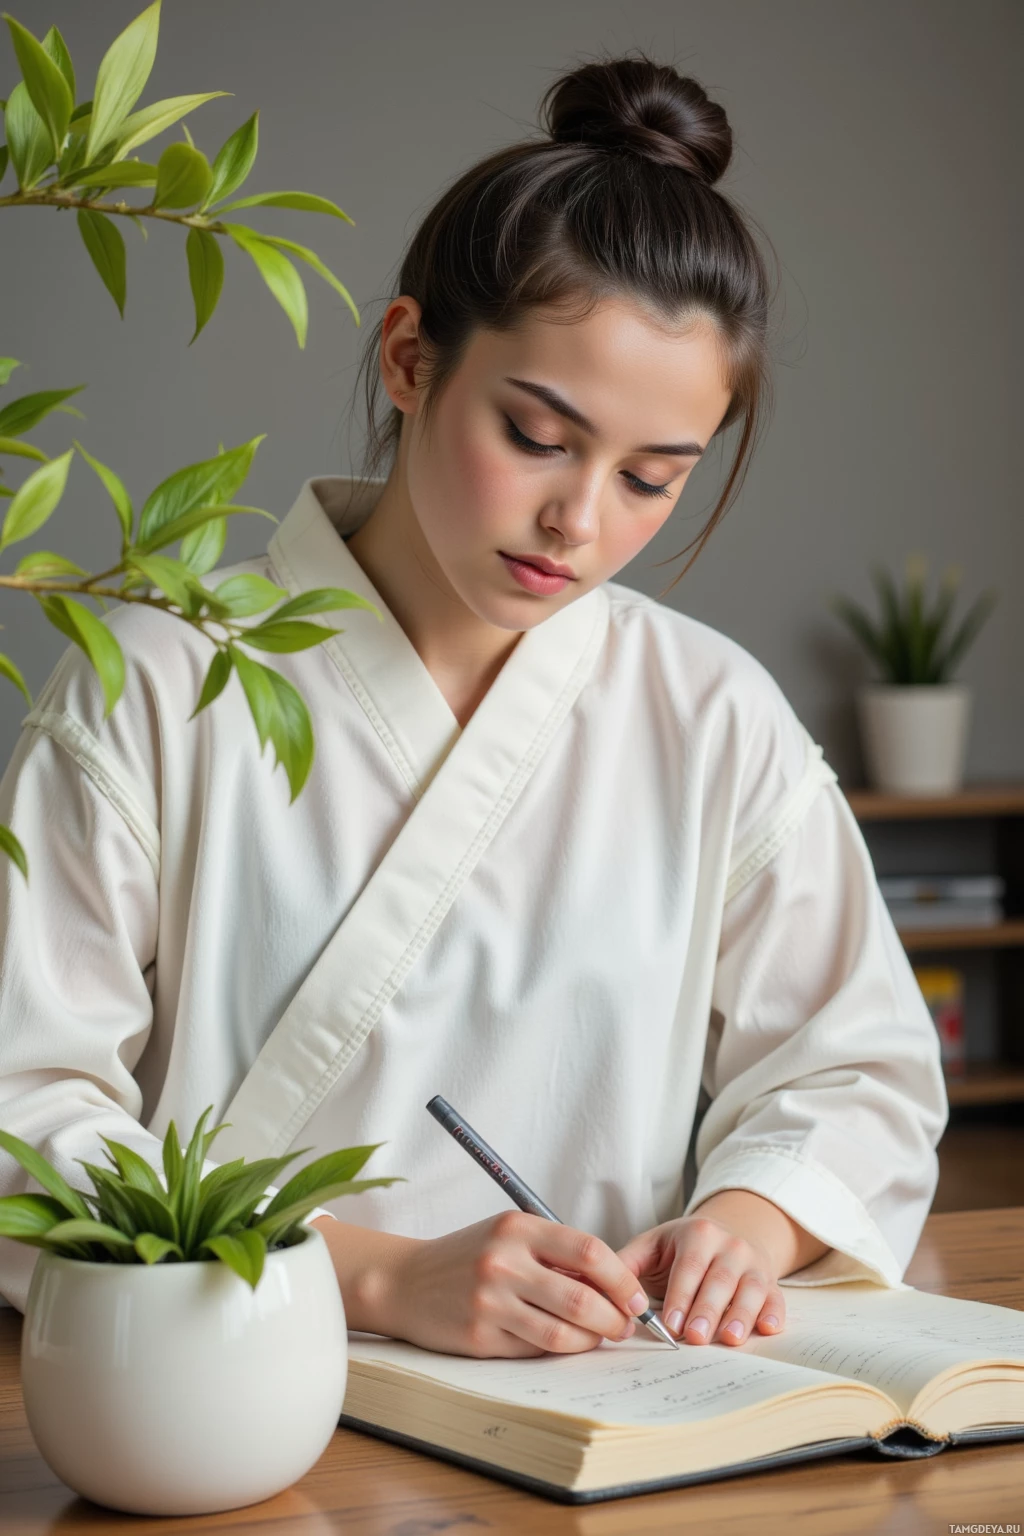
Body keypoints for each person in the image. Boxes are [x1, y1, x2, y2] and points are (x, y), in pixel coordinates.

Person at [0, 55, 947, 1355]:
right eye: (539, 435)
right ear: (409, 358)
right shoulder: (161, 676)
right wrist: (377, 1279)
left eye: (651, 478)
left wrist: (749, 1220)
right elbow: (23, 1104)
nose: (580, 519)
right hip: (216, 1392)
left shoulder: (711, 711)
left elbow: (861, 1067)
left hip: (601, 1405)